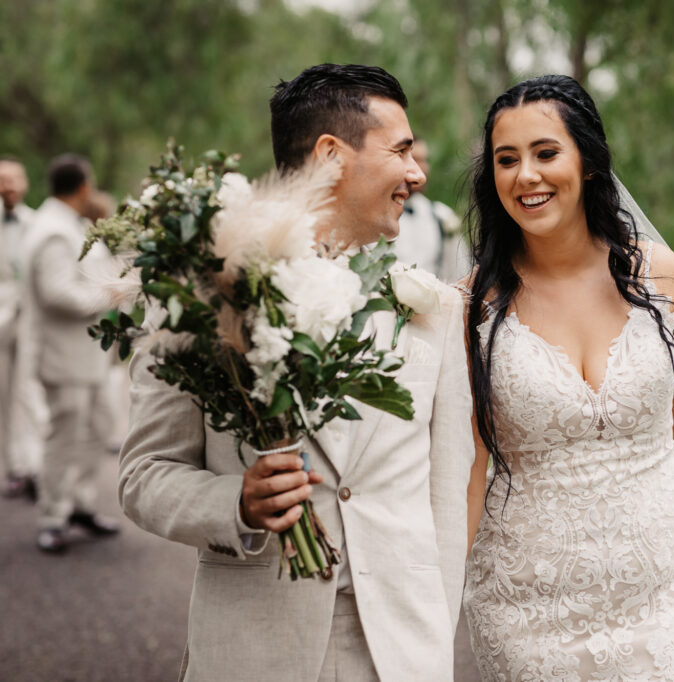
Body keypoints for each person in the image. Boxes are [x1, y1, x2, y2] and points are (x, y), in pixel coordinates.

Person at [118, 64, 474, 682]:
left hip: (398, 651)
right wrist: (238, 503)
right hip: (256, 649)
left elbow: (446, 493)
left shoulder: (431, 309)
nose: (418, 173)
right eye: (401, 151)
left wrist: (436, 642)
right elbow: (144, 476)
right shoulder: (201, 298)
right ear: (332, 156)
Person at [461, 75, 674, 680]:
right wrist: (436, 599)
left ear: (587, 162)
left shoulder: (657, 274)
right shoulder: (473, 308)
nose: (525, 176)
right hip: (526, 608)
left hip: (673, 585)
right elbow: (469, 467)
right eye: (506, 161)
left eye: (545, 153)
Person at [22, 154, 121, 552]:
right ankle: (53, 516)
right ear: (82, 187)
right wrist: (109, 294)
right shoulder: (52, 232)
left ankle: (79, 503)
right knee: (64, 436)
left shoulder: (70, 224)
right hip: (64, 357)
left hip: (88, 356)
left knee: (98, 428)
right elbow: (56, 292)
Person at [0, 157, 45, 500]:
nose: (8, 186)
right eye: (3, 180)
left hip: (28, 320)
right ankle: (13, 467)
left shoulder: (36, 224)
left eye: (14, 179)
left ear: (25, 183)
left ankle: (34, 465)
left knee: (28, 394)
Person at [392, 139, 466, 282]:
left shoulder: (442, 215)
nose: (422, 168)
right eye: (415, 160)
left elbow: (459, 272)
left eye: (425, 161)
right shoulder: (374, 215)